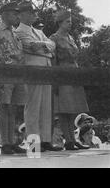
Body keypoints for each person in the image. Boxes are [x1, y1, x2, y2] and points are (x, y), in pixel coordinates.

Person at [14, 2, 61, 152]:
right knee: (33, 106)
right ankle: (34, 144)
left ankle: (46, 140)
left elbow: (52, 44)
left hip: (45, 68)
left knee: (46, 106)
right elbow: (29, 45)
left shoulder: (38, 31)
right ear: (21, 15)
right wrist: (46, 47)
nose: (33, 14)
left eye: (33, 12)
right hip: (33, 70)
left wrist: (43, 47)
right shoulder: (19, 31)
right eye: (29, 12)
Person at [0, 2, 27, 155]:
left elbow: (22, 55)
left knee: (14, 108)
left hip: (17, 74)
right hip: (4, 74)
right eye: (13, 14)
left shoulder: (16, 34)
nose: (16, 16)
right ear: (4, 15)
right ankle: (5, 142)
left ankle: (13, 141)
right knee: (5, 107)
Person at [49, 10, 89, 150]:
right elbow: (53, 61)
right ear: (60, 23)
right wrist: (55, 81)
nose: (70, 24)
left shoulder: (71, 38)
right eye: (67, 22)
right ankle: (68, 140)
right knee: (63, 110)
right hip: (62, 75)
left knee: (72, 109)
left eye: (71, 21)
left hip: (74, 75)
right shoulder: (54, 38)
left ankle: (72, 138)